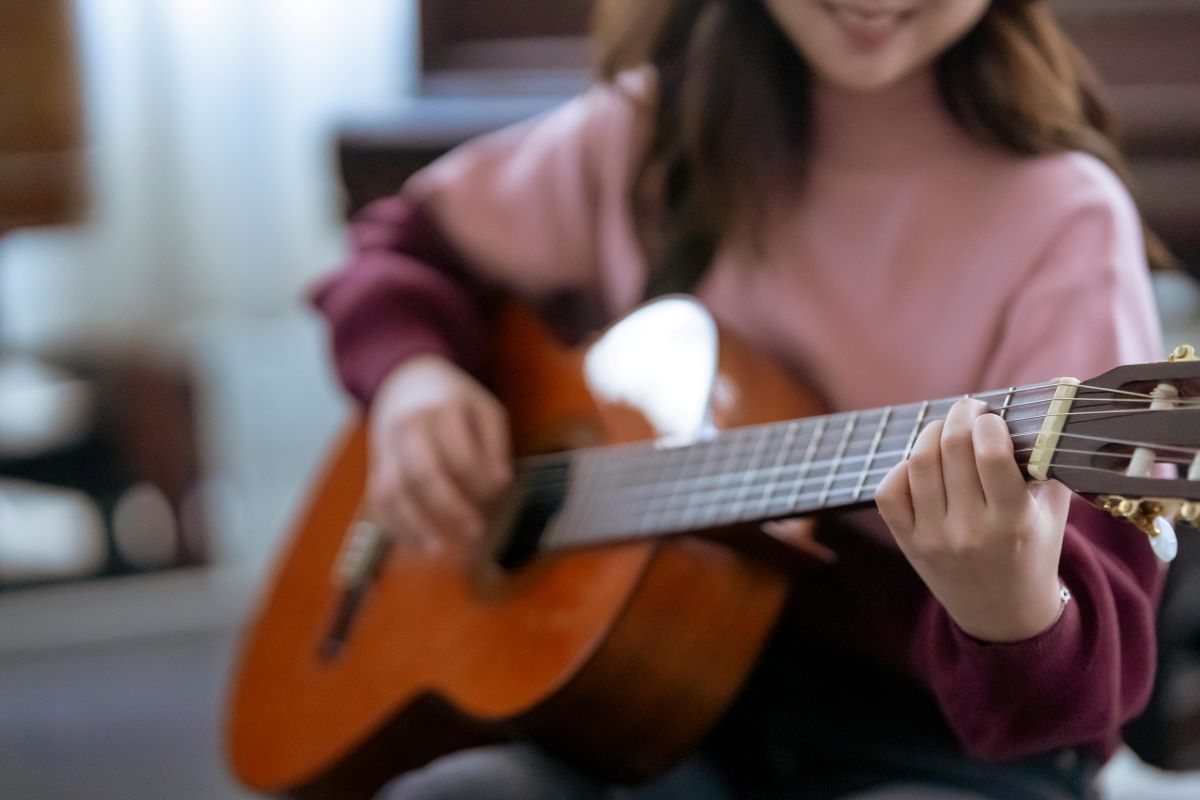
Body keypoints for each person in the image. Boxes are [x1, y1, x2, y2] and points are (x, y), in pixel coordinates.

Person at [311, 1, 1170, 797]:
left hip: (938, 738)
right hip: (655, 698)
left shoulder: (1066, 217)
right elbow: (402, 244)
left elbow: (1082, 703)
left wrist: (1008, 607)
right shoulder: (646, 134)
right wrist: (413, 376)